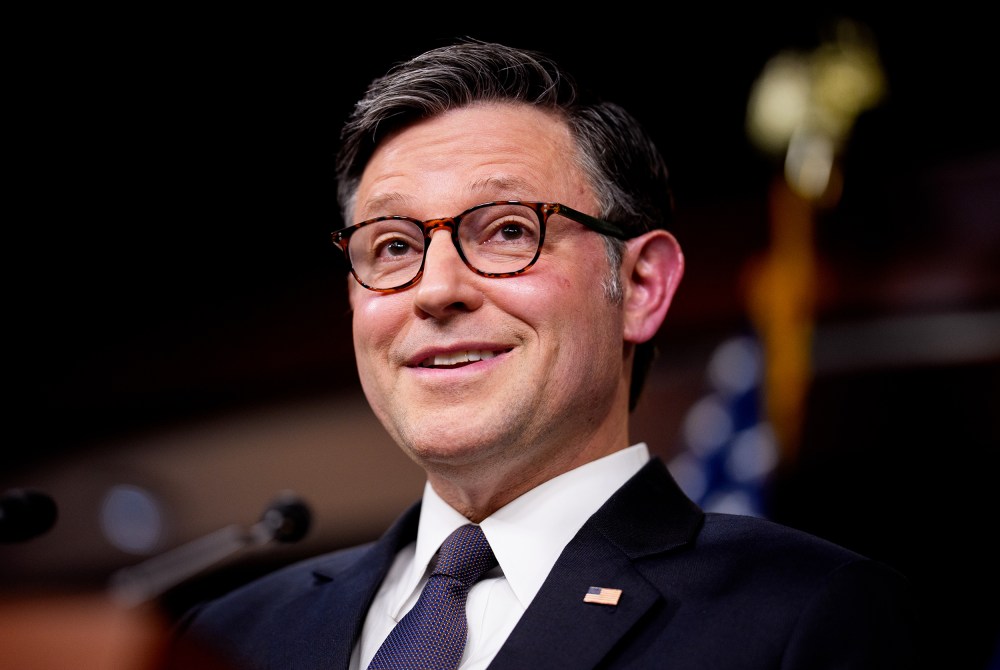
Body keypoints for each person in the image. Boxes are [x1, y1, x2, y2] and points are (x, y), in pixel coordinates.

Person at [167, 39, 918, 669]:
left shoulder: (807, 614)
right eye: (392, 247)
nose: (436, 290)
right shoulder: (225, 638)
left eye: (507, 231)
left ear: (641, 285)